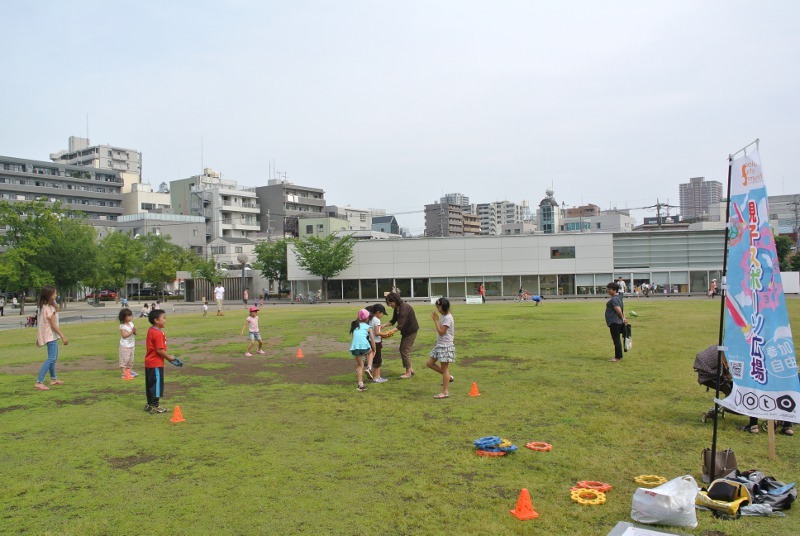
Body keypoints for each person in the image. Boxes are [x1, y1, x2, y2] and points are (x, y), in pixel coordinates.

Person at [144, 308, 182, 414]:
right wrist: (169, 358)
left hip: (149, 363)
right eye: (164, 318)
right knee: (156, 385)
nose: (165, 320)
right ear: (156, 320)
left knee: (150, 384)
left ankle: (149, 404)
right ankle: (155, 406)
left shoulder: (151, 330)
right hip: (156, 363)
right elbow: (159, 350)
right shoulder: (158, 333)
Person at [34, 286, 69, 391]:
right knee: (51, 359)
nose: (56, 295)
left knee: (53, 358)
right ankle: (39, 382)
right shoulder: (48, 308)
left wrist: (39, 337)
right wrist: (63, 336)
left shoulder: (43, 307)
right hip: (51, 336)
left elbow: (40, 323)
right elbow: (53, 325)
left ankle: (53, 379)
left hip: (49, 335)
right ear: (49, 295)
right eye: (54, 293)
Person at [383, 291, 419, 379]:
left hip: (411, 331)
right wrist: (383, 325)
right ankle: (410, 369)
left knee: (404, 350)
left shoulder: (404, 308)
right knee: (403, 349)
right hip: (406, 331)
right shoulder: (397, 308)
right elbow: (393, 320)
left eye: (390, 302)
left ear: (395, 300)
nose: (390, 305)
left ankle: (408, 372)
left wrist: (389, 332)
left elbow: (400, 325)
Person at [427, 297, 455, 399]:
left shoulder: (447, 318)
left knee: (444, 369)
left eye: (438, 307)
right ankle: (448, 377)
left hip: (446, 345)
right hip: (440, 344)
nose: (437, 309)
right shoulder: (444, 316)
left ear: (443, 307)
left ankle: (445, 392)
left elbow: (441, 332)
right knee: (429, 363)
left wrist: (435, 321)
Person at [350, 308, 376, 392]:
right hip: (364, 346)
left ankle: (360, 385)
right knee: (371, 352)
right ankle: (369, 368)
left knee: (360, 366)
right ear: (367, 318)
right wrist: (374, 349)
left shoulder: (355, 326)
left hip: (354, 347)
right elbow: (372, 340)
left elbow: (354, 338)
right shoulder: (368, 327)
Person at [366, 304, 388, 383]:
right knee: (377, 360)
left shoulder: (370, 319)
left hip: (370, 341)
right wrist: (386, 334)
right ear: (378, 312)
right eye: (382, 313)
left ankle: (377, 376)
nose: (382, 315)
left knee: (375, 359)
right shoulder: (377, 320)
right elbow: (377, 332)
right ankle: (376, 378)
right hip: (376, 342)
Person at [605, 282, 627, 363]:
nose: (608, 290)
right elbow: (622, 310)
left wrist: (622, 318)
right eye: (608, 289)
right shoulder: (619, 298)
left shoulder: (614, 299)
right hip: (618, 322)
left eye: (610, 289)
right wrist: (623, 318)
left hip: (615, 322)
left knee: (616, 340)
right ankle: (618, 356)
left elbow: (618, 310)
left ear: (614, 290)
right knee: (617, 340)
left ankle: (617, 357)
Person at [118, 308, 138, 379]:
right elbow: (124, 336)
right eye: (128, 316)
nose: (130, 317)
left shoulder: (131, 324)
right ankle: (124, 374)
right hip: (125, 345)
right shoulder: (122, 326)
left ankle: (129, 372)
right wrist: (132, 331)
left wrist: (135, 331)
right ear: (124, 317)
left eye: (131, 316)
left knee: (130, 359)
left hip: (132, 344)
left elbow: (135, 333)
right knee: (124, 359)